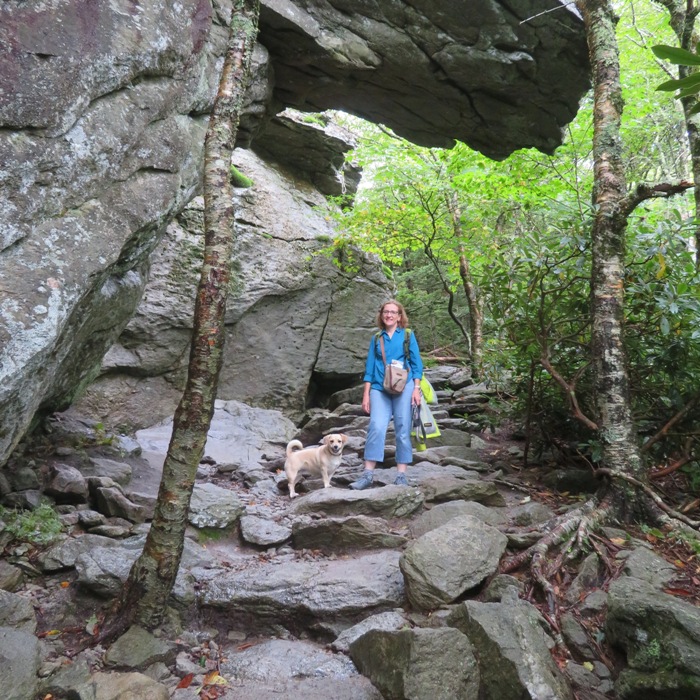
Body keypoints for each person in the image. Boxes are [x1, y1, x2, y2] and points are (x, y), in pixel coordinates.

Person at [350, 299, 423, 490]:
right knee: (376, 426)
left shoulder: (407, 335)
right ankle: (367, 475)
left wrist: (416, 388)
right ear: (381, 315)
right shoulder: (376, 338)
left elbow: (417, 365)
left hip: (404, 387)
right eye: (386, 312)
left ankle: (401, 475)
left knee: (402, 427)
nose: (389, 315)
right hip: (379, 387)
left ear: (400, 316)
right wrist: (366, 395)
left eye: (393, 312)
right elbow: (369, 368)